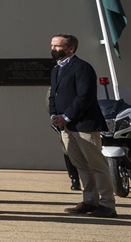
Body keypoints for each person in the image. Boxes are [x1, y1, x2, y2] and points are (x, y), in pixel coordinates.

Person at [48, 33, 116, 218]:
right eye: (52, 45)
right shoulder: (56, 70)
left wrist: (67, 116)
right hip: (66, 127)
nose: (53, 48)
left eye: (57, 46)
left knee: (97, 165)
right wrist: (54, 115)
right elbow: (53, 95)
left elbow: (85, 96)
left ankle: (107, 205)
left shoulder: (82, 67)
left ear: (71, 49)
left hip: (84, 124)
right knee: (81, 165)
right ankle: (89, 201)